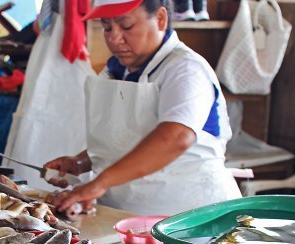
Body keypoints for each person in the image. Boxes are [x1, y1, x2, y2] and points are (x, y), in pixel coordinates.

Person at [45, 0, 241, 215]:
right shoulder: (115, 71)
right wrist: (81, 162)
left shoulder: (185, 69)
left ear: (160, 19)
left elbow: (175, 138)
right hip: (124, 215)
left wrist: (99, 183)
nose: (114, 37)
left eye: (126, 26)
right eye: (107, 27)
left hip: (189, 217)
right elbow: (125, 137)